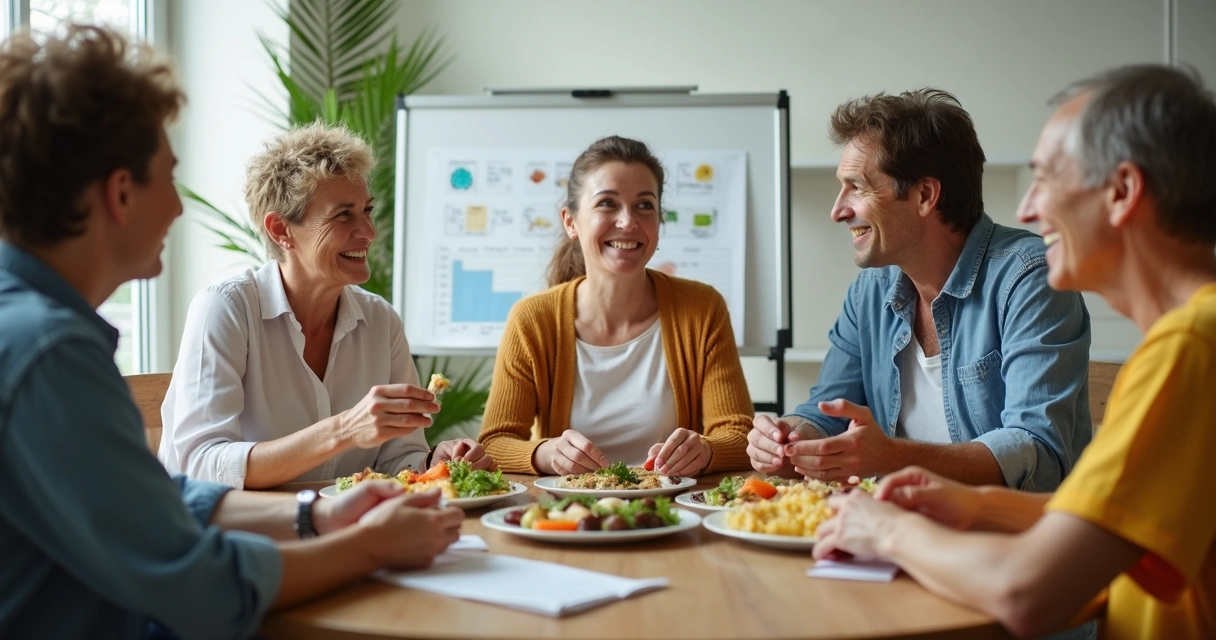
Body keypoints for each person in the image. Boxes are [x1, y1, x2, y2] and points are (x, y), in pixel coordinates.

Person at [0, 25, 463, 639]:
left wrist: (316, 518)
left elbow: (159, 503)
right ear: (120, 192)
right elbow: (197, 585)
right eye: (168, 177)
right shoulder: (50, 355)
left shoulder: (33, 333)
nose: (177, 207)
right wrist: (369, 546)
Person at [813, 65, 1216, 640]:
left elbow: (1026, 594)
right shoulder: (1190, 339)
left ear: (1122, 192)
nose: (1027, 209)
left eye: (1046, 178)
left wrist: (884, 530)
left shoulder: (1189, 349)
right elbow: (1115, 524)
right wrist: (976, 507)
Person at [747, 89, 1092, 491]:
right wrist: (788, 438)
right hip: (897, 520)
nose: (838, 210)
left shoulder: (1030, 276)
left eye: (857, 187)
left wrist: (892, 457)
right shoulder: (869, 293)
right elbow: (826, 414)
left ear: (925, 195)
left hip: (1010, 525)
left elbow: (1039, 451)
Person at [159, 122, 494, 489]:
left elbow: (398, 458)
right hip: (240, 522)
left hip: (345, 520)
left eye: (367, 210)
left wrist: (433, 461)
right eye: (343, 215)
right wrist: (345, 429)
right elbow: (201, 465)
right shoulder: (225, 308)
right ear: (281, 230)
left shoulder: (381, 321)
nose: (368, 231)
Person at [478, 136, 753, 476]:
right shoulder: (532, 319)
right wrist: (546, 454)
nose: (628, 222)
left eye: (644, 205)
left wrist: (706, 451)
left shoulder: (702, 308)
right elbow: (494, 444)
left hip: (668, 505)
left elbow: (739, 435)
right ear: (570, 222)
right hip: (568, 507)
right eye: (607, 203)